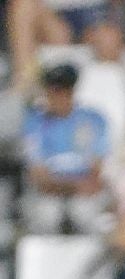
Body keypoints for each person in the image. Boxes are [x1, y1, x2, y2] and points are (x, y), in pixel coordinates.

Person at [19, 62, 112, 235]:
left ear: (71, 91)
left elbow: (96, 171)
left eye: (62, 91)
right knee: (46, 215)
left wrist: (77, 187)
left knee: (86, 214)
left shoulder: (93, 120)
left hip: (84, 193)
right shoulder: (35, 123)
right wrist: (71, 187)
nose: (57, 97)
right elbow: (37, 175)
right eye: (52, 92)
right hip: (49, 193)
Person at [8, 0, 125, 78]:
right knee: (23, 6)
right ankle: (25, 79)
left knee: (108, 41)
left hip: (93, 15)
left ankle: (111, 99)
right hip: (54, 16)